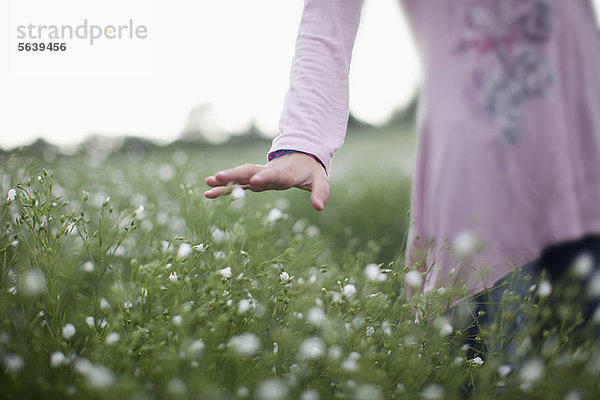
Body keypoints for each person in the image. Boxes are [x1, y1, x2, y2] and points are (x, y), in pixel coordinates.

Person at [205, 0, 600, 354]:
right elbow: (329, 15)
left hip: (586, 145)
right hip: (483, 169)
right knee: (491, 369)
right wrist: (304, 140)